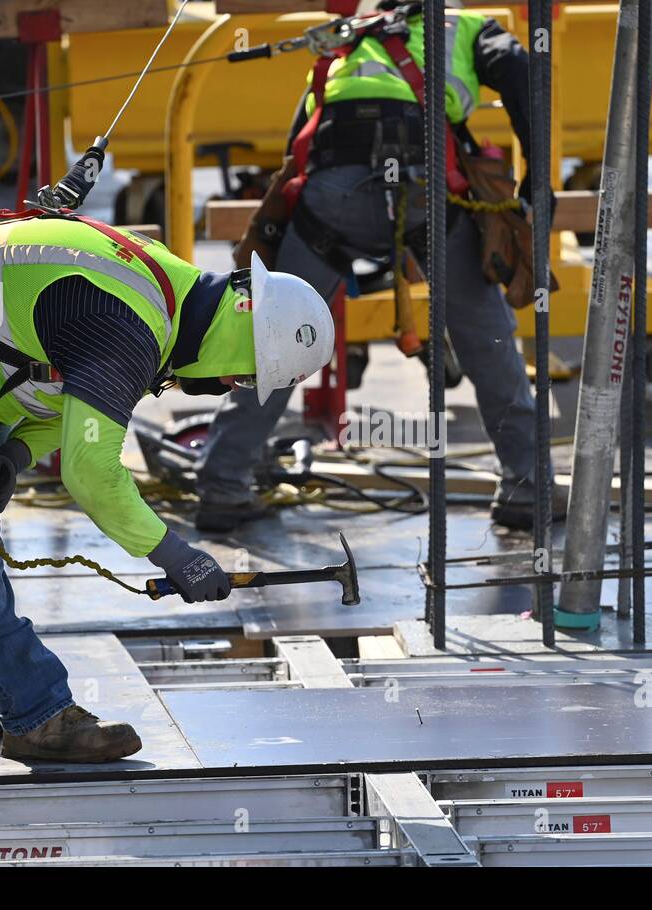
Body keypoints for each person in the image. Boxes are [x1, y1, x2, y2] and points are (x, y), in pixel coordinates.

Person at [0, 217, 332, 762]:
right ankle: (36, 713)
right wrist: (174, 554)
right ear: (243, 336)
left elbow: (65, 385)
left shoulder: (168, 297)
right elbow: (91, 471)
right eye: (247, 376)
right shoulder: (131, 329)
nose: (231, 388)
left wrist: (17, 453)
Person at [195, 0, 557, 533]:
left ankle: (223, 484)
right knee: (487, 340)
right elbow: (525, 75)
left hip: (329, 198)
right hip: (423, 184)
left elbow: (303, 141)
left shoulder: (348, 38)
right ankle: (527, 488)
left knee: (272, 342)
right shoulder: (468, 26)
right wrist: (538, 178)